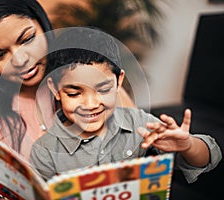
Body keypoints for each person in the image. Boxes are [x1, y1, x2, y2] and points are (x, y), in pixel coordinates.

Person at [0, 1, 135, 199]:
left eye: (27, 40)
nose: (20, 60)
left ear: (42, 23)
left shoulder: (78, 67)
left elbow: (137, 144)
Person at [30, 28, 222, 181]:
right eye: (74, 94)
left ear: (119, 81)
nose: (90, 104)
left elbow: (209, 159)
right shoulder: (44, 151)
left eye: (103, 90)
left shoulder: (140, 124)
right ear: (55, 89)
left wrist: (188, 146)